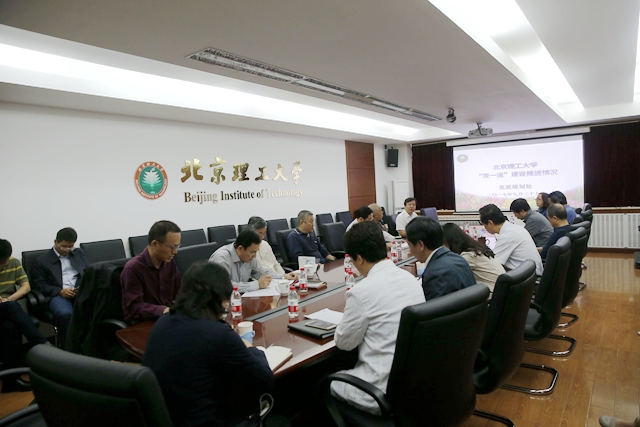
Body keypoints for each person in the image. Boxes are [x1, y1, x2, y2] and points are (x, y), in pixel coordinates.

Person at [142, 261, 275, 427]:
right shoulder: (218, 333)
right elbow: (265, 380)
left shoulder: (162, 322)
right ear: (220, 298)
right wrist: (251, 348)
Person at [331, 221, 425, 415]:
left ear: (359, 258)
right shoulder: (410, 279)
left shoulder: (361, 292)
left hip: (380, 390)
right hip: (415, 383)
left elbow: (344, 343)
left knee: (327, 383)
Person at [0, 239, 49, 393]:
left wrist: (9, 299)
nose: (1, 265)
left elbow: (25, 287)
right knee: (11, 307)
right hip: (8, 308)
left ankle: (10, 382)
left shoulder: (13, 262)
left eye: (3, 262)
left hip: (6, 309)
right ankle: (41, 343)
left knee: (10, 327)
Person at [31, 227, 89, 348]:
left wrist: (83, 286)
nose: (67, 250)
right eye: (63, 246)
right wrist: (60, 291)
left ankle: (89, 345)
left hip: (79, 291)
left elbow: (87, 271)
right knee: (65, 313)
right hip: (57, 295)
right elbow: (39, 285)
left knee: (99, 305)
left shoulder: (78, 253)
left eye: (70, 247)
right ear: (55, 242)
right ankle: (68, 347)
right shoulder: (42, 261)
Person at [121, 220, 182, 322]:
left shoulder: (169, 263)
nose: (175, 251)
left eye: (177, 246)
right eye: (172, 247)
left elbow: (179, 291)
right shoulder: (133, 268)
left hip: (166, 318)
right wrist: (163, 310)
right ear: (155, 244)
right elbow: (134, 308)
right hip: (143, 323)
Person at [405, 217, 475, 301]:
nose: (410, 251)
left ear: (420, 245)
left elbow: (432, 308)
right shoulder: (459, 259)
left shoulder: (434, 274)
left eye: (409, 246)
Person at [210, 230, 297, 293]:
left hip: (240, 298)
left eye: (256, 252)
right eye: (252, 252)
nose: (254, 256)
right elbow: (224, 287)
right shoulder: (221, 258)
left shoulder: (250, 257)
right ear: (240, 248)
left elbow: (262, 272)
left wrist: (283, 276)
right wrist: (257, 285)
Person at [479, 204, 543, 276]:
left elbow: (493, 263)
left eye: (483, 224)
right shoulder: (516, 228)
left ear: (490, 223)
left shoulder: (508, 235)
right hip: (531, 273)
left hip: (527, 277)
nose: (484, 228)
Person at [442, 223, 505, 293]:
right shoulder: (477, 249)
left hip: (492, 295)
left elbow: (449, 275)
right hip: (500, 291)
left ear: (449, 242)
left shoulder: (469, 256)